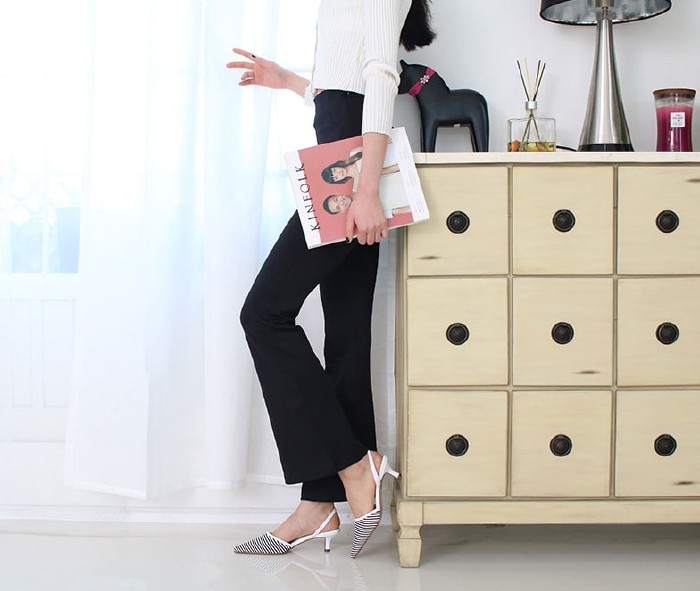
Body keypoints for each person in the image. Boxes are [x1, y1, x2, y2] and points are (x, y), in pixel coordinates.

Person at [227, 0, 435, 558]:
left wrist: (366, 190)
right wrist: (292, 81)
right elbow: (346, 79)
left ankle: (355, 466)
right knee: (345, 337)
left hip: (353, 161)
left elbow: (380, 75)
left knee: (264, 314)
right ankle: (319, 504)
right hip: (341, 145)